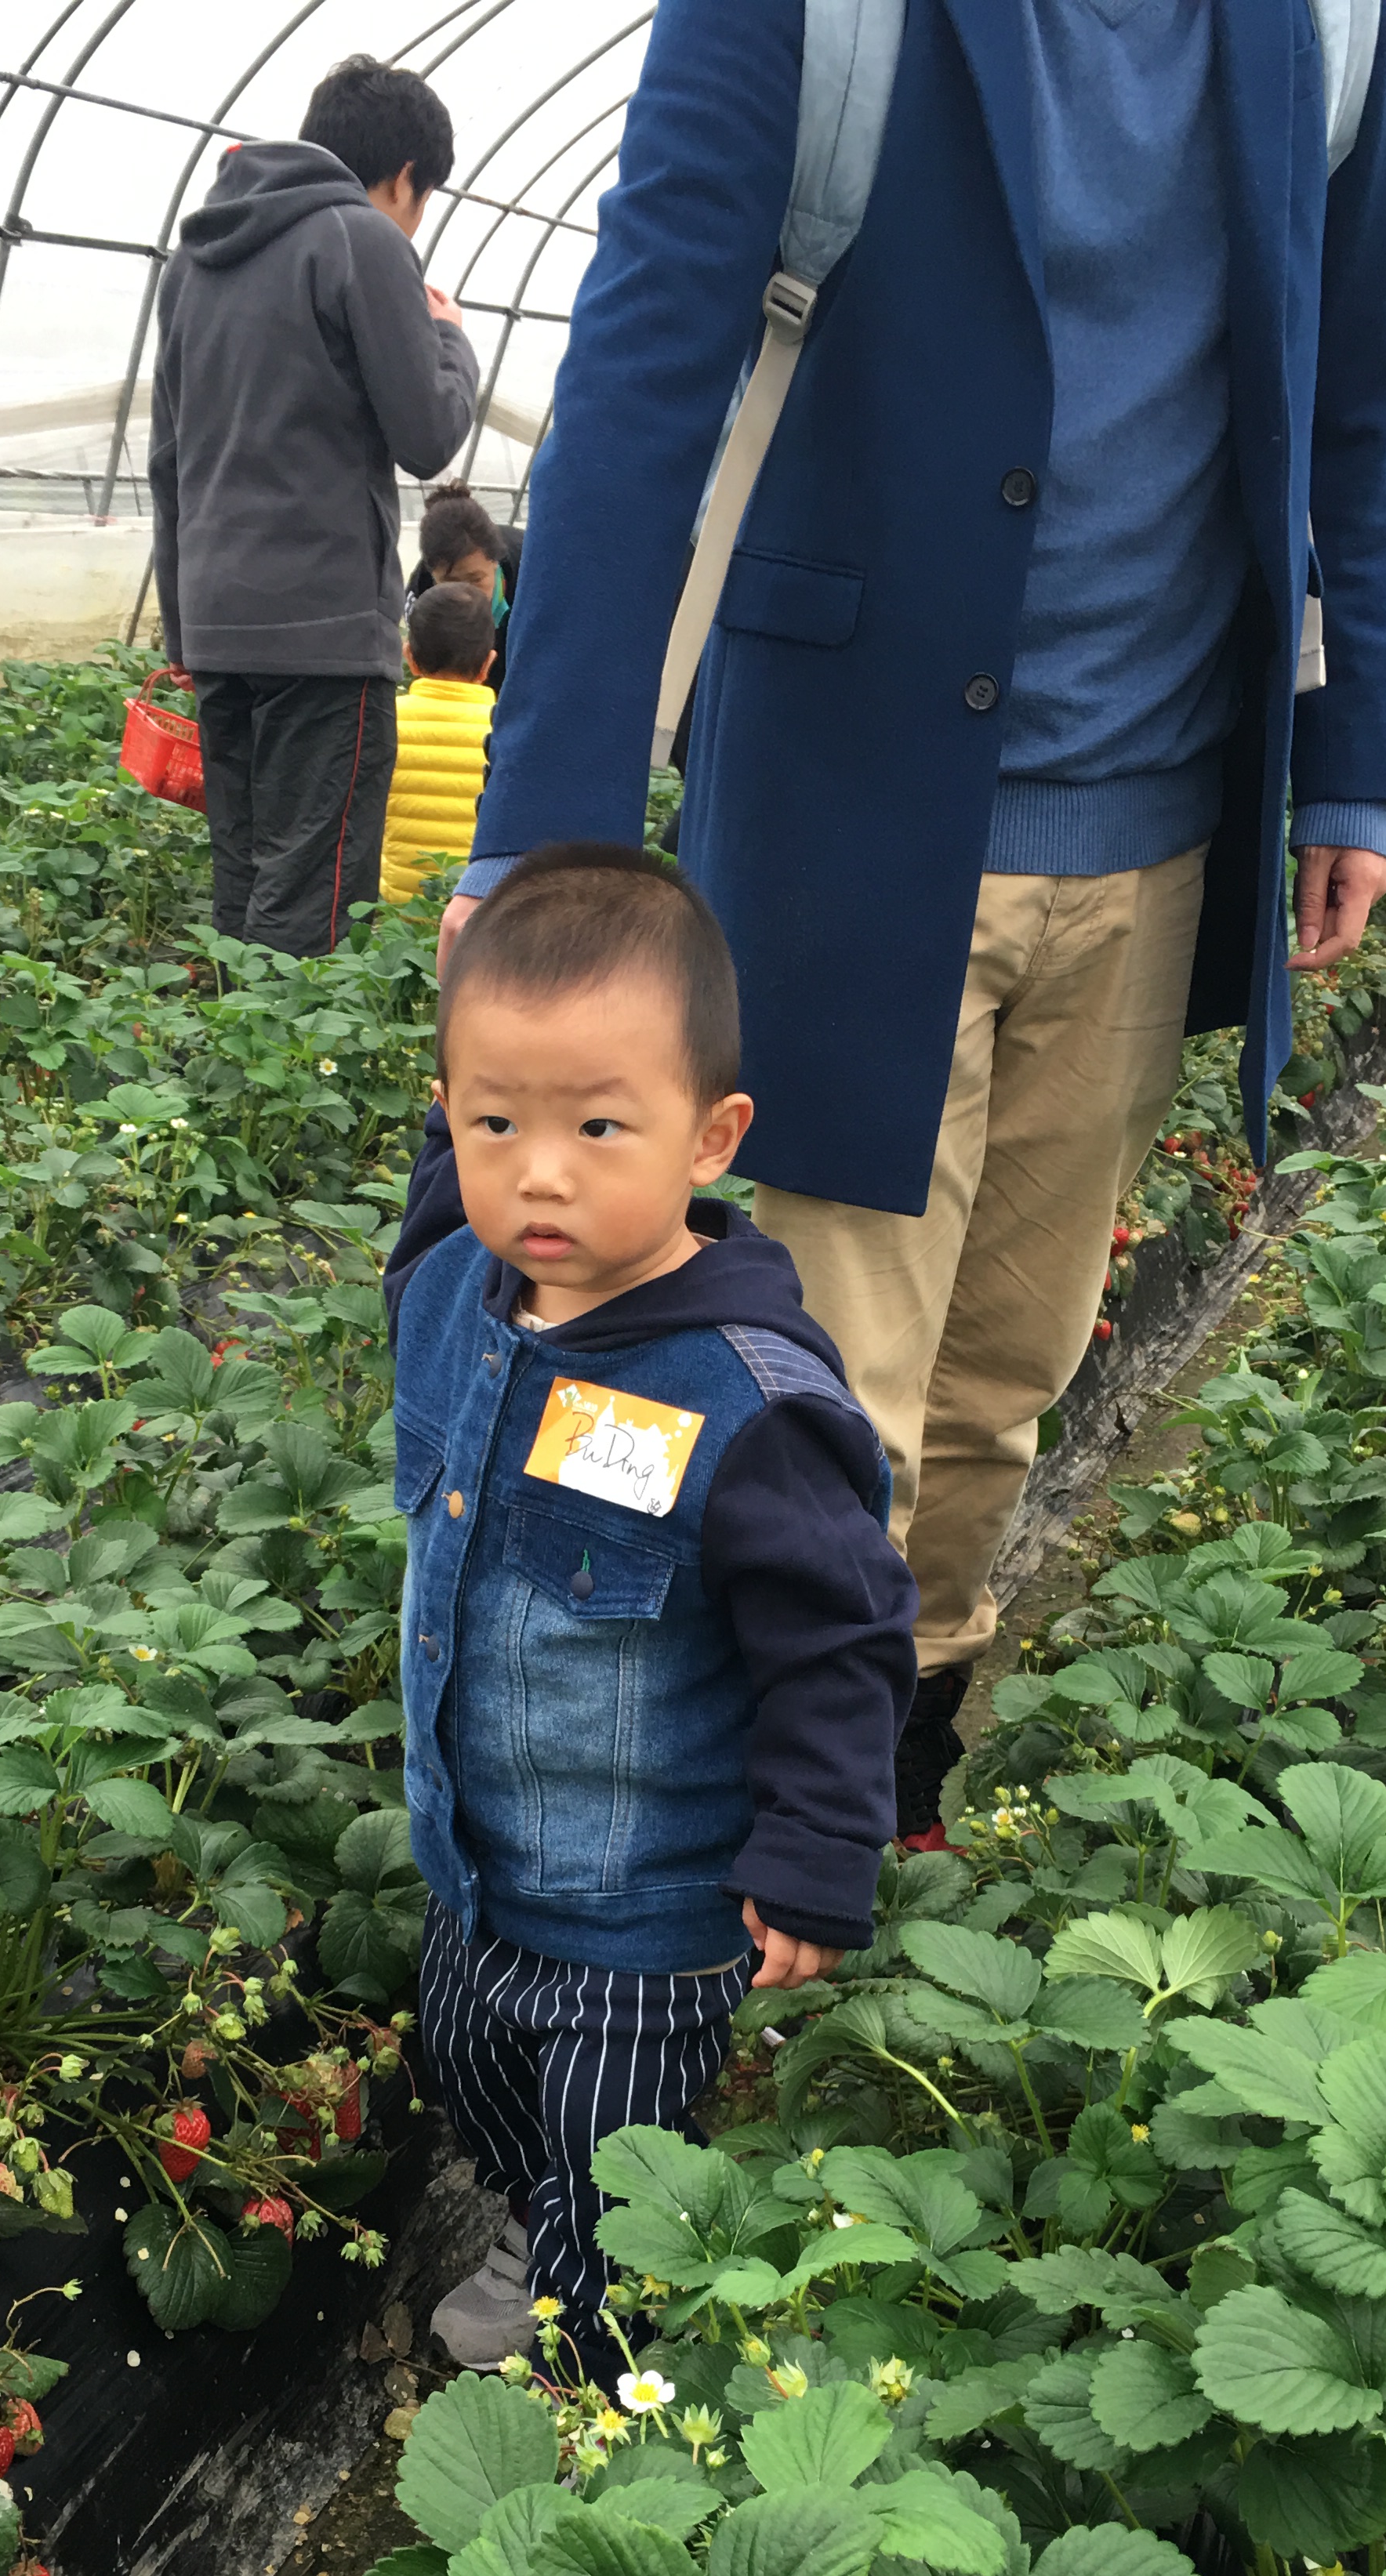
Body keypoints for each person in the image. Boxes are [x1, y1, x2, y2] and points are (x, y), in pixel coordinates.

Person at [426, 0, 1386, 1836]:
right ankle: (727, 1860)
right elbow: (653, 363)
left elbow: (1348, 407)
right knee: (825, 1397)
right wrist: (549, 825)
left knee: (1003, 1395)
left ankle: (887, 1783)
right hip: (847, 829)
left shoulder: (1328, 28)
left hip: (1158, 828)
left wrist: (1349, 760)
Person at [388, 846, 916, 2373]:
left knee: (617, 2161)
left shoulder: (745, 1406)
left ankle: (591, 2357)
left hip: (644, 1911)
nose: (539, 1171)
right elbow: (446, 1193)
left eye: (598, 1126)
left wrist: (816, 1853)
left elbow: (842, 1637)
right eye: (497, 1120)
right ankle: (534, 2210)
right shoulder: (448, 1295)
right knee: (478, 2078)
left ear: (712, 1135)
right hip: (472, 1868)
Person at [149, 57, 479, 956]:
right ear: (404, 176)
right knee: (314, 895)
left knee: (245, 878)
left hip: (220, 626)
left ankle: (229, 1075)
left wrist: (185, 631)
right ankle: (284, 1087)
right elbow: (427, 433)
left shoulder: (194, 260)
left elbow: (169, 459)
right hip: (322, 631)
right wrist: (449, 341)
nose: (412, 220)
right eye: (421, 198)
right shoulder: (361, 240)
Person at [379, 582, 499, 903]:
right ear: (488, 664)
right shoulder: (505, 727)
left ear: (410, 659)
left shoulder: (387, 721)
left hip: (397, 911)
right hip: (476, 907)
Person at [404, 481, 522, 688]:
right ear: (432, 575)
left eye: (476, 580)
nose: (465, 594)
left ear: (495, 562)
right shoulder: (420, 597)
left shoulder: (530, 568)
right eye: (450, 583)